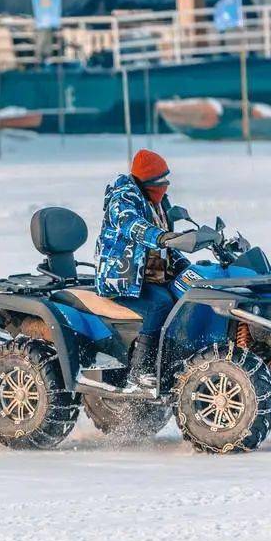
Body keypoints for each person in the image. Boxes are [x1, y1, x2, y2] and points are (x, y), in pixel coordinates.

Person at [95, 150, 189, 392]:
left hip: (151, 276)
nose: (165, 187)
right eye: (159, 182)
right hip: (123, 278)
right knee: (159, 304)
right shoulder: (123, 200)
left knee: (186, 295)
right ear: (145, 182)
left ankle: (172, 361)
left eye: (166, 181)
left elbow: (167, 247)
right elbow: (132, 226)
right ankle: (142, 371)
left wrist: (187, 264)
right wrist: (161, 237)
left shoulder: (156, 202)